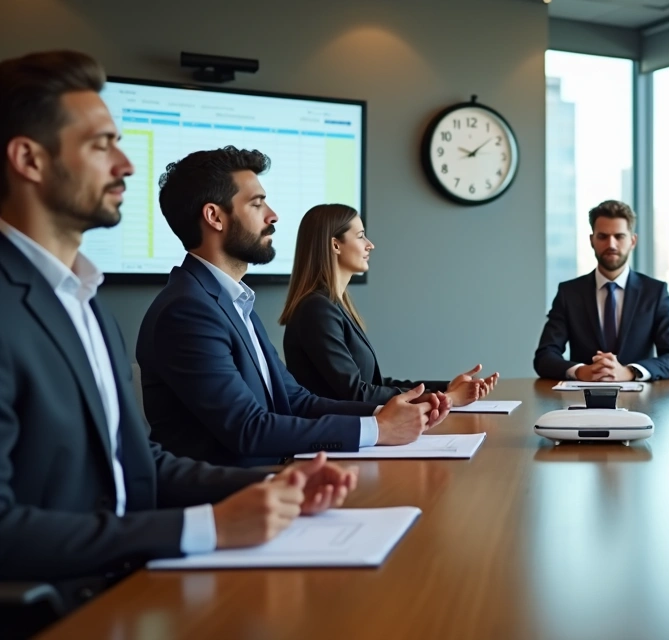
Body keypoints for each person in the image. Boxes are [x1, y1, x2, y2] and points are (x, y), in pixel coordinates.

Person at [0, 50, 359, 633]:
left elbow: (139, 469)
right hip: (67, 609)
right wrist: (206, 528)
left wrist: (275, 485)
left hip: (131, 579)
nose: (126, 165)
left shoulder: (83, 298)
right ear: (29, 160)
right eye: (100, 146)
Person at [138, 147, 448, 468]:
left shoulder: (234, 302)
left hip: (276, 481)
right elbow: (249, 429)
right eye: (257, 204)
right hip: (234, 499)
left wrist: (386, 412)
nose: (272, 215)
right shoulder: (188, 311)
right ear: (215, 216)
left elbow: (296, 401)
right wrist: (377, 429)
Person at [280, 204, 498, 405]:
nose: (370, 245)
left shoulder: (332, 305)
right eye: (361, 236)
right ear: (335, 245)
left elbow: (375, 384)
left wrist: (445, 388)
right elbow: (356, 393)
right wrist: (446, 399)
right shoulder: (317, 310)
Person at [534, 199, 669, 381]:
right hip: (582, 402)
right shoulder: (569, 293)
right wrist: (581, 371)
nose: (611, 244)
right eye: (603, 236)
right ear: (592, 240)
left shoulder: (654, 293)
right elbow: (544, 356)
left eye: (619, 236)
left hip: (641, 403)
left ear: (632, 241)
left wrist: (630, 372)